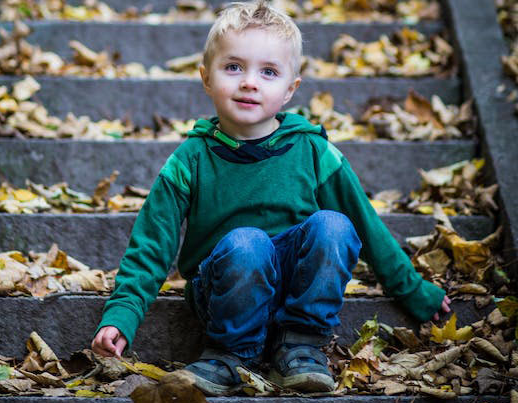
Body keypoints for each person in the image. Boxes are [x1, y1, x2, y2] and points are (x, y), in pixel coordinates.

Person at [91, 0, 451, 396]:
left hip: (297, 288)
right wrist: (121, 315)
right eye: (233, 67)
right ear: (206, 78)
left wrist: (414, 292)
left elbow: (367, 224)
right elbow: (152, 245)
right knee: (248, 243)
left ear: (289, 90)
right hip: (224, 290)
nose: (249, 82)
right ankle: (229, 354)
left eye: (268, 71)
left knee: (334, 225)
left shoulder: (311, 150)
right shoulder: (191, 159)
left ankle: (300, 345)